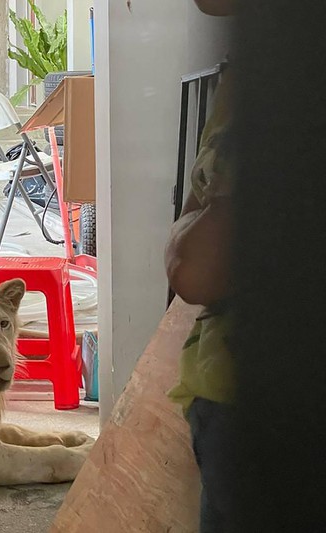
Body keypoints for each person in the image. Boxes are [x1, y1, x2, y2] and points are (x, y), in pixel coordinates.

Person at [165, 1, 238, 531]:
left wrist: (188, 235)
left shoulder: (289, 77)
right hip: (220, 384)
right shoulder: (238, 81)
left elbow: (193, 269)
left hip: (260, 400)